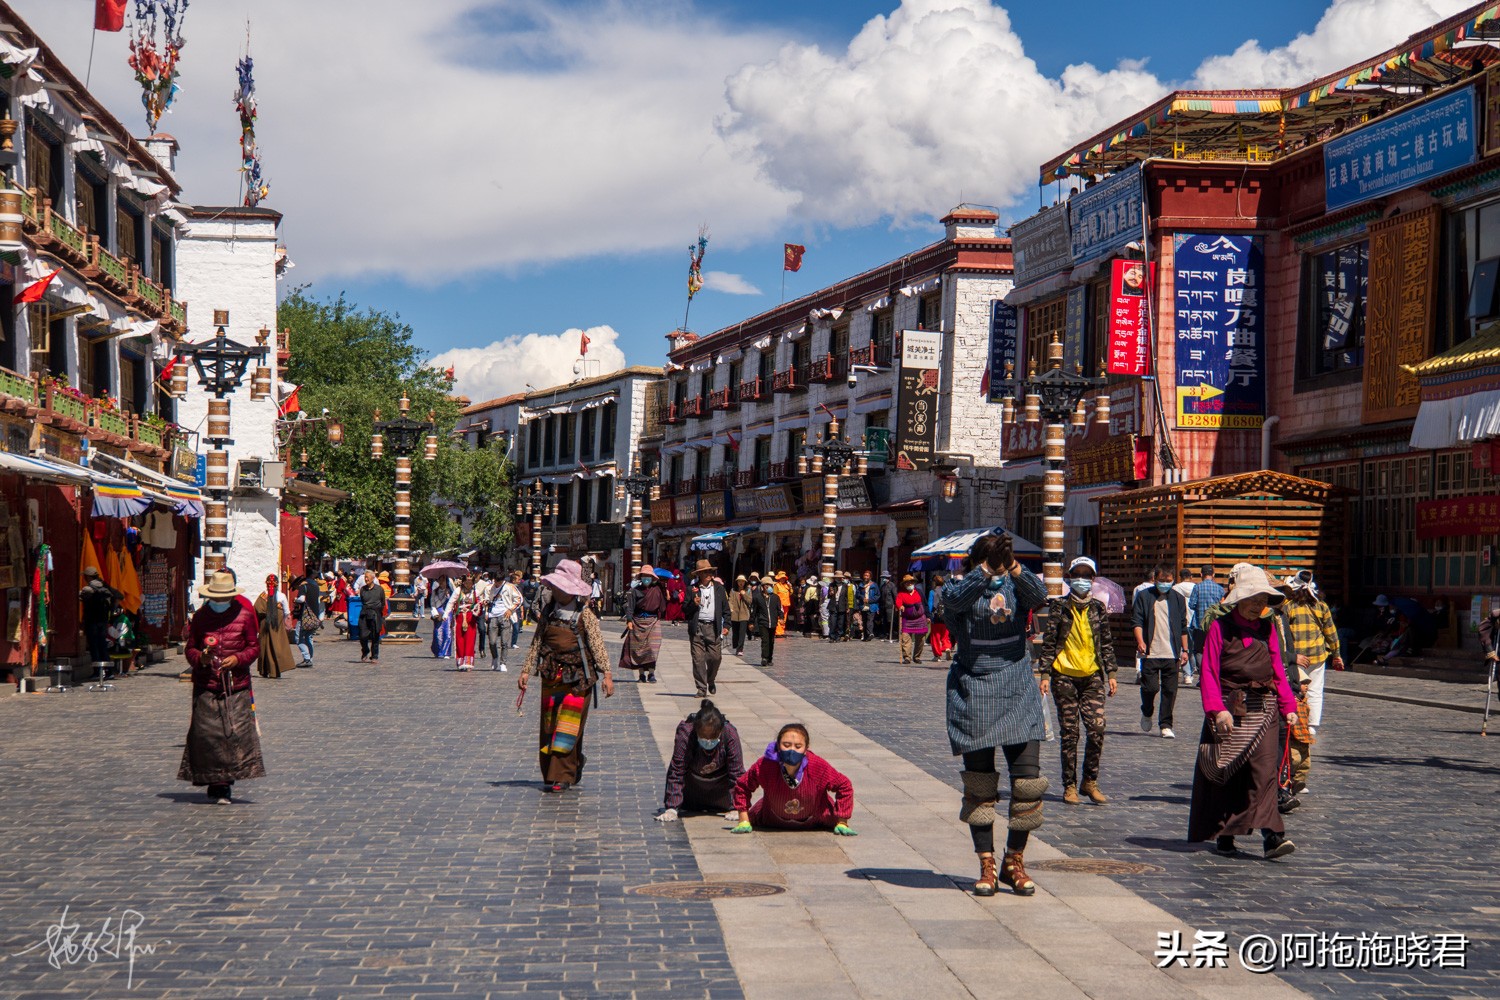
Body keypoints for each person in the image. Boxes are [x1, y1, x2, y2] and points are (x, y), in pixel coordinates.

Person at [946, 532, 1049, 898]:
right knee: (980, 786)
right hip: (974, 691)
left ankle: (1014, 861)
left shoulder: (1017, 586)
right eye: (992, 563)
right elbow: (954, 605)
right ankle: (986, 862)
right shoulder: (958, 587)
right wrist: (984, 572)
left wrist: (1015, 567)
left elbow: (1041, 597)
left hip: (1018, 690)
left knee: (1027, 783)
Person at [1189, 565, 1299, 859]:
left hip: (1264, 708)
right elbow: (1209, 671)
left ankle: (1273, 837)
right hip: (1229, 709)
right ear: (1238, 599)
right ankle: (1226, 832)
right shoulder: (1219, 628)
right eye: (1252, 599)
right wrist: (1216, 710)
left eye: (1262, 600)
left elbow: (1278, 670)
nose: (1258, 605)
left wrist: (1289, 704)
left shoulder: (1268, 628)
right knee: (1228, 773)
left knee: (1264, 773)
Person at [517, 559, 614, 792]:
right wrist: (526, 671)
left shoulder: (585, 615)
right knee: (550, 726)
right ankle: (557, 770)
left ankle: (563, 775)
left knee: (568, 727)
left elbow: (597, 645)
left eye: (560, 587)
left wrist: (607, 675)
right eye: (554, 586)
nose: (556, 590)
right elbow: (537, 642)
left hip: (578, 679)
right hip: (551, 676)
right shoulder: (548, 612)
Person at [178, 570, 266, 804]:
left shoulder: (245, 615)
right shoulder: (200, 617)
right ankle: (214, 780)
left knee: (231, 735)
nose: (219, 602)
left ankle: (225, 783)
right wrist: (201, 659)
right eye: (216, 597)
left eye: (223, 597)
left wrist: (238, 659)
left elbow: (253, 647)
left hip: (235, 684)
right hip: (207, 684)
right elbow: (191, 648)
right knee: (208, 735)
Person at [1038, 556, 1118, 805]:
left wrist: (1112, 673)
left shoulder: (1098, 608)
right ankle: (1069, 785)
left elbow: (1105, 642)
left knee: (1096, 730)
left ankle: (1089, 781)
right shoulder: (1059, 607)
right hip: (1064, 677)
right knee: (1070, 734)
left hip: (1092, 677)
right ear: (1070, 578)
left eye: (1086, 576)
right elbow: (1049, 642)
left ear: (1093, 580)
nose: (1081, 580)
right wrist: (1044, 674)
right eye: (1077, 575)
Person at [732, 723, 856, 834]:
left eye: (798, 746)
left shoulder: (817, 766)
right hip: (770, 818)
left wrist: (842, 821)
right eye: (786, 745)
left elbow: (844, 785)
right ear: (778, 746)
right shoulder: (766, 765)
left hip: (818, 819)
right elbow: (743, 785)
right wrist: (743, 819)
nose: (792, 750)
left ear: (806, 748)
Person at [657, 699, 746, 820]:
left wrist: (737, 807)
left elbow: (737, 773)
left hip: (721, 797)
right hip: (691, 795)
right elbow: (677, 770)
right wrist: (672, 808)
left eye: (713, 737)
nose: (708, 741)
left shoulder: (729, 733)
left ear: (721, 730)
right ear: (696, 730)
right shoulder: (686, 733)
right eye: (703, 737)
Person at [1283, 571, 1342, 737]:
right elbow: (1331, 632)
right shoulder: (1321, 605)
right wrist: (1336, 654)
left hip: (1297, 657)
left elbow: (1284, 633)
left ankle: (1296, 721)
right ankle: (1312, 725)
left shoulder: (1288, 606)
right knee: (1315, 690)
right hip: (1317, 655)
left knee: (1295, 689)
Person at [1132, 565, 1188, 738]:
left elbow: (1183, 626)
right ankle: (1147, 711)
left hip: (1172, 653)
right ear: (1155, 579)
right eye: (1162, 580)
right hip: (1151, 651)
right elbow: (1137, 621)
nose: (1165, 584)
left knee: (1170, 690)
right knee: (1150, 688)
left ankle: (1165, 724)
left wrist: (1185, 650)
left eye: (1168, 581)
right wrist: (1140, 641)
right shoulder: (1144, 596)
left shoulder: (1178, 598)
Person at [685, 559, 731, 697]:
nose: (710, 574)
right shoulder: (691, 589)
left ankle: (710, 679)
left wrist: (727, 625)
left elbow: (726, 609)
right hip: (697, 627)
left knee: (715, 657)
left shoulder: (719, 589)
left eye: (710, 571)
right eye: (706, 572)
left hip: (713, 627)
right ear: (699, 574)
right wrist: (693, 604)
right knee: (698, 659)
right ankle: (701, 688)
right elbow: (685, 610)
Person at [622, 565, 668, 683]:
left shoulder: (657, 590)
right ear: (641, 577)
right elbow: (630, 607)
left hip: (653, 621)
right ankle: (641, 674)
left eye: (649, 576)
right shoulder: (635, 591)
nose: (646, 578)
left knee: (653, 648)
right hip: (638, 621)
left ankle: (651, 673)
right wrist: (629, 620)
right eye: (644, 576)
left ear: (652, 578)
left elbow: (662, 606)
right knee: (639, 649)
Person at [1186, 565, 1224, 687]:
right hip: (1215, 625)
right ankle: (1214, 676)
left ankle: (1204, 676)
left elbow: (1192, 604)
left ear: (1201, 574)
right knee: (1215, 650)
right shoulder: (1219, 589)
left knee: (1198, 650)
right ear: (1213, 575)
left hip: (1199, 624)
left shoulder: (1197, 587)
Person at [254, 574, 297, 680]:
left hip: (265, 627)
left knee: (264, 647)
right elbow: (286, 612)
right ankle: (275, 670)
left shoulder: (262, 596)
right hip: (277, 628)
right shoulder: (282, 596)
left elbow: (256, 609)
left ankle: (264, 670)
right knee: (276, 647)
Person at [79, 567, 120, 665]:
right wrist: (110, 611)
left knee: (94, 646)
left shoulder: (87, 589)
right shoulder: (105, 588)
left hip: (92, 621)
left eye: (85, 576)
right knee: (102, 645)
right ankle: (108, 671)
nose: (84, 578)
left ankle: (97, 671)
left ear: (88, 577)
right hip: (103, 620)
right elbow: (118, 598)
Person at [486, 571, 524, 672]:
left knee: (504, 642)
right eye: (495, 581)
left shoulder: (510, 587)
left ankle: (503, 662)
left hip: (505, 615)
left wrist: (511, 610)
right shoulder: (490, 588)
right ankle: (495, 657)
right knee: (492, 641)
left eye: (498, 582)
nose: (496, 583)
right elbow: (486, 600)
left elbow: (519, 599)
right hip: (493, 615)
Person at [448, 576, 481, 670]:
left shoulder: (475, 592)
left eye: (471, 583)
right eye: (467, 583)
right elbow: (451, 602)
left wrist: (475, 609)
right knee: (460, 640)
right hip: (460, 618)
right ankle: (460, 661)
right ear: (463, 583)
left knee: (470, 640)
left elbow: (479, 604)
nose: (469, 585)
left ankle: (468, 662)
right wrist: (446, 614)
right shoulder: (458, 591)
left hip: (471, 619)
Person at [895, 574, 929, 664]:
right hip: (907, 618)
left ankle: (917, 656)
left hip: (920, 618)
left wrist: (928, 616)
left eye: (911, 582)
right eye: (907, 583)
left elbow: (925, 604)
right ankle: (907, 657)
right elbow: (898, 601)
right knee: (905, 638)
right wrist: (900, 606)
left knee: (920, 639)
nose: (909, 584)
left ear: (913, 583)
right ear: (904, 584)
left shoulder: (919, 592)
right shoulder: (901, 594)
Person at [292, 572, 323, 667]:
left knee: (299, 638)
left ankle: (306, 658)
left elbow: (301, 599)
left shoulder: (303, 587)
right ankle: (310, 658)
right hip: (315, 616)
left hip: (305, 617)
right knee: (309, 637)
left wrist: (295, 600)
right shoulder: (315, 586)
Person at [750, 577, 781, 666]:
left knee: (771, 641)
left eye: (771, 585)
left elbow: (779, 609)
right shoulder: (757, 598)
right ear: (763, 587)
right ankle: (764, 657)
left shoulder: (775, 597)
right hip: (763, 622)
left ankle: (769, 658)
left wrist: (781, 617)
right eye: (767, 585)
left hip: (773, 622)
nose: (769, 587)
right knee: (765, 640)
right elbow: (753, 611)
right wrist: (751, 622)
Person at [358, 570, 387, 664]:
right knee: (362, 635)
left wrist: (378, 611)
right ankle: (365, 651)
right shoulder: (363, 589)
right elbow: (362, 600)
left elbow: (383, 602)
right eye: (365, 577)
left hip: (375, 614)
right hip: (365, 613)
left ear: (373, 578)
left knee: (375, 636)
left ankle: (374, 656)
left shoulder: (379, 589)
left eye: (368, 577)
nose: (366, 579)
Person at [928, 574, 953, 661]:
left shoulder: (932, 592)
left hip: (936, 617)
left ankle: (937, 655)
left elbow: (930, 605)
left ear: (934, 583)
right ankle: (947, 647)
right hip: (946, 617)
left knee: (935, 637)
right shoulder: (947, 591)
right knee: (945, 636)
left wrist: (929, 615)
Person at [728, 576, 752, 656]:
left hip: (744, 615)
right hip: (735, 614)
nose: (741, 583)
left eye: (742, 581)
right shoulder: (733, 590)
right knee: (735, 632)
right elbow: (730, 600)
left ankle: (740, 649)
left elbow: (750, 601)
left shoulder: (748, 590)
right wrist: (731, 608)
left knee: (742, 633)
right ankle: (736, 645)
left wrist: (744, 595)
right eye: (739, 581)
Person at [858, 570, 878, 643]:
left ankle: (870, 633)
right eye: (865, 575)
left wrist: (869, 600)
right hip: (863, 605)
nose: (866, 577)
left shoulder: (874, 585)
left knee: (870, 620)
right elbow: (857, 594)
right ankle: (866, 636)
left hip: (871, 605)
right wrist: (862, 598)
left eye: (867, 576)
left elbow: (877, 596)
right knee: (864, 620)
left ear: (870, 577)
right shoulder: (861, 585)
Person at [828, 572, 849, 642]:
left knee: (840, 622)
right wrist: (830, 593)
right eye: (838, 577)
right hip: (833, 605)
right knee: (833, 622)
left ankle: (838, 636)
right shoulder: (831, 585)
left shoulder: (845, 585)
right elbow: (829, 596)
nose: (839, 579)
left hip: (842, 605)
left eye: (840, 577)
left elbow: (846, 597)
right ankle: (832, 637)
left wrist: (847, 607)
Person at [773, 571, 792, 637]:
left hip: (786, 604)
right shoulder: (776, 585)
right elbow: (774, 595)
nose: (783, 579)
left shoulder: (786, 585)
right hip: (779, 604)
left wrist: (790, 587)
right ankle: (778, 632)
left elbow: (791, 593)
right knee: (779, 618)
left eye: (784, 578)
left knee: (784, 619)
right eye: (781, 578)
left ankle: (782, 631)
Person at [879, 572, 897, 643]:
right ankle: (885, 634)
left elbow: (895, 595)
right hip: (883, 606)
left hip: (890, 606)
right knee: (884, 621)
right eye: (883, 577)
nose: (884, 579)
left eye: (885, 577)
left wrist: (896, 604)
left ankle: (891, 634)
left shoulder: (892, 585)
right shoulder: (882, 586)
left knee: (890, 621)